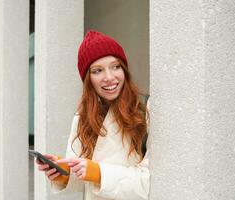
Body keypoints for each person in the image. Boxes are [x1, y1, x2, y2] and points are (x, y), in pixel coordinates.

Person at [35, 30, 150, 200]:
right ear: (88, 79)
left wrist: (98, 173)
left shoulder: (142, 112)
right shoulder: (82, 118)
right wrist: (63, 173)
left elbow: (151, 182)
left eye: (116, 66)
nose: (109, 77)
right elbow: (82, 178)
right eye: (98, 71)